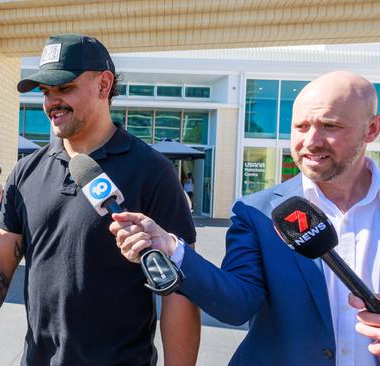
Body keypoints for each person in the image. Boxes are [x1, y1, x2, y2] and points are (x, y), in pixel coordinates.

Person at [0, 33, 198, 366]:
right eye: (46, 92)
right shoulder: (25, 172)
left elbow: (179, 290)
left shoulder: (152, 171)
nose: (51, 102)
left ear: (104, 85)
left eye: (65, 88)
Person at [111, 70, 380, 365]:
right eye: (301, 126)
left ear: (371, 129)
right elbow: (236, 306)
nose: (311, 141)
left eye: (330, 125)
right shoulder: (257, 212)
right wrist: (171, 248)